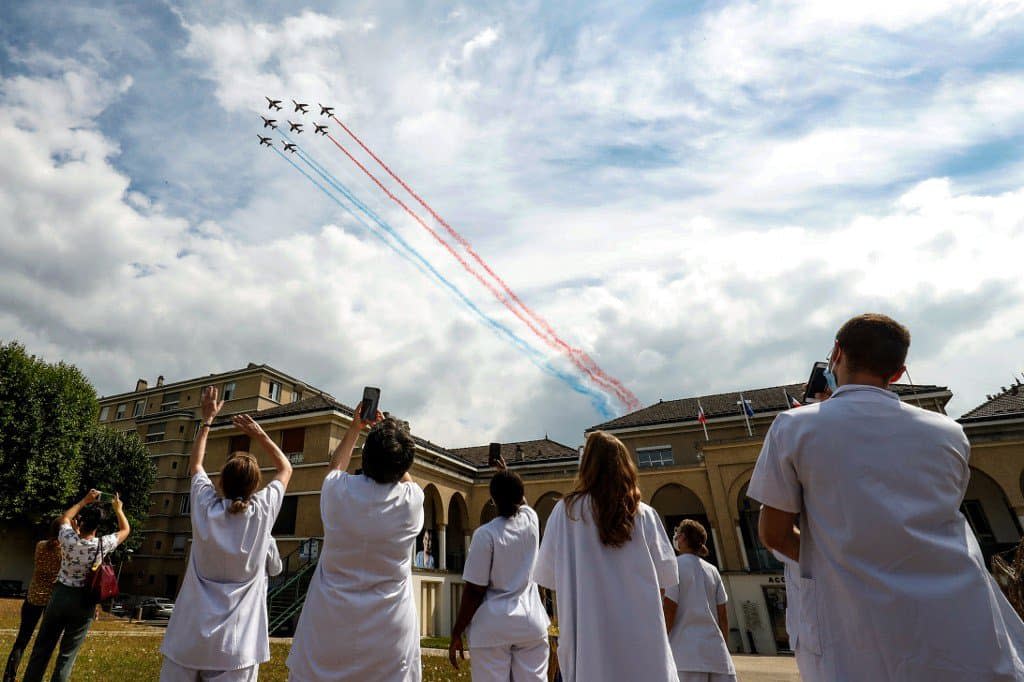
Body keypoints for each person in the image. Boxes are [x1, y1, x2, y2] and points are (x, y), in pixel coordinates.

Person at [750, 313, 1024, 681]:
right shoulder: (949, 433)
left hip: (858, 627)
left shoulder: (795, 427)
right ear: (898, 372)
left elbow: (774, 534)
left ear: (837, 353)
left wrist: (843, 559)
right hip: (960, 616)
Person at [160, 386, 292, 682]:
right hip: (237, 646)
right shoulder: (261, 513)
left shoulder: (204, 507)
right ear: (256, 486)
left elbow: (194, 464)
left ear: (219, 481)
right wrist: (261, 434)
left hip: (188, 639)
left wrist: (207, 421)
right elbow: (286, 468)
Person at [287, 400, 423, 681]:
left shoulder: (338, 491)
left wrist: (355, 428)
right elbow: (406, 479)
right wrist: (390, 437)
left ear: (365, 458)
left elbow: (335, 465)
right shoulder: (411, 501)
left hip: (328, 626)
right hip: (390, 632)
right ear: (404, 465)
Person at [534, 430, 679, 682]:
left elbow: (548, 578)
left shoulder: (567, 513)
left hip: (591, 643)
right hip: (643, 644)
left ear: (587, 465)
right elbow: (665, 582)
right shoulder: (645, 514)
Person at [449, 456, 550, 681]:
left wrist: (457, 632)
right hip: (531, 622)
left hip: (493, 626)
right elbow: (521, 501)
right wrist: (506, 473)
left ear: (492, 499)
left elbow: (475, 590)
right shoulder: (531, 520)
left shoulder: (486, 535)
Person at [23, 490, 130, 682]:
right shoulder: (102, 544)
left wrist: (85, 500)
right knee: (67, 656)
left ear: (80, 523)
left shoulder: (68, 538)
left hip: (60, 595)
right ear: (97, 527)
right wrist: (118, 509)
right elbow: (125, 530)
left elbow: (65, 517)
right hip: (84, 600)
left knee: (42, 649)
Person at [666, 520, 735, 682]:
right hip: (719, 657)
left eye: (677, 534)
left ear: (681, 538)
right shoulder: (713, 570)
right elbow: (723, 617)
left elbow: (669, 610)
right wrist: (722, 648)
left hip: (686, 657)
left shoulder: (674, 567)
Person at [3, 518, 63, 682]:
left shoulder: (40, 545)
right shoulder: (64, 552)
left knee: (21, 640)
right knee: (43, 644)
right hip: (51, 602)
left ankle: (9, 676)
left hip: (33, 598)